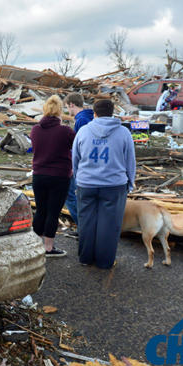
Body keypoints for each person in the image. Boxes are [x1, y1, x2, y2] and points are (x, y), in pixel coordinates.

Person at [72, 99, 136, 269]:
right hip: (114, 185)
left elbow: (75, 158)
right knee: (109, 224)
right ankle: (105, 261)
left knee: (86, 222)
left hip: (86, 183)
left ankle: (85, 258)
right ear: (113, 112)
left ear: (94, 113)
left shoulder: (83, 131)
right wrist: (130, 182)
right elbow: (130, 160)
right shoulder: (123, 133)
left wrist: (79, 179)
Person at [30, 96, 75, 257]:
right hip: (59, 176)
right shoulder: (65, 131)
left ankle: (34, 246)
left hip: (39, 175)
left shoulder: (35, 130)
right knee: (53, 212)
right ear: (59, 111)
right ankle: (48, 248)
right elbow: (75, 147)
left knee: (41, 210)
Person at [64, 93, 94, 223]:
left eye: (67, 107)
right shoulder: (90, 116)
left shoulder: (81, 120)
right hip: (91, 162)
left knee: (71, 195)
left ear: (71, 104)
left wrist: (73, 165)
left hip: (83, 164)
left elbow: (81, 145)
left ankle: (83, 226)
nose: (67, 111)